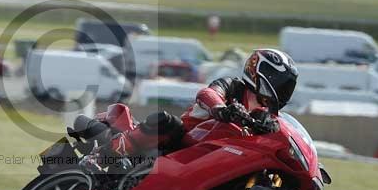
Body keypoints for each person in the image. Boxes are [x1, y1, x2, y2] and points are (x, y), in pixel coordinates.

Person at [103, 49, 299, 158]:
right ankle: (107, 156)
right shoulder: (232, 86)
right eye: (279, 82)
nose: (282, 90)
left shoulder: (267, 116)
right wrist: (220, 109)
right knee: (167, 122)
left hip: (224, 155)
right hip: (185, 139)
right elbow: (208, 93)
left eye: (286, 86)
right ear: (258, 72)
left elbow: (279, 135)